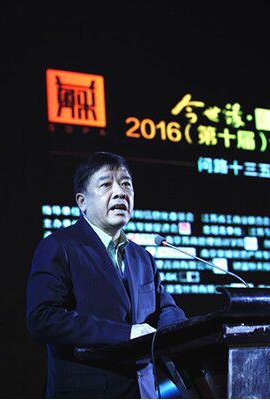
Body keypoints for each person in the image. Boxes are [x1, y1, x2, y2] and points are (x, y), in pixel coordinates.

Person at [26, 152, 186, 398]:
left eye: (126, 184)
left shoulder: (142, 257)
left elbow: (165, 309)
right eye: (106, 185)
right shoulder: (59, 247)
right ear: (82, 202)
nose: (120, 192)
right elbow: (43, 318)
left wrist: (181, 333)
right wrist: (125, 334)